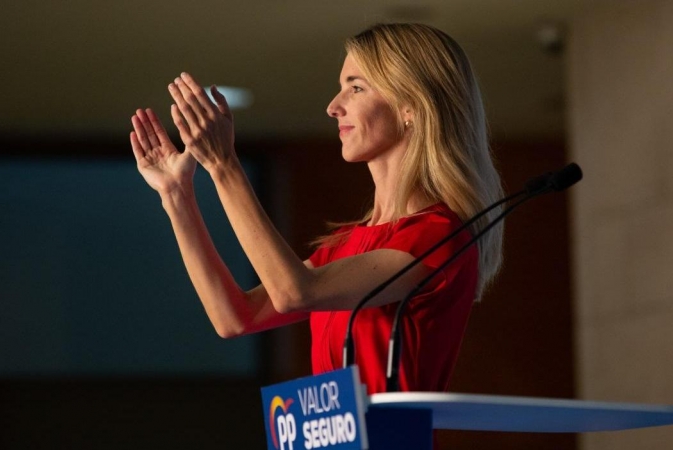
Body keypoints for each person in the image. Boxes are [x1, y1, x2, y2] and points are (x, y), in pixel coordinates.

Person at [129, 23, 503, 394]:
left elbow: (295, 292)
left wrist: (225, 166)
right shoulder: (348, 243)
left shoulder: (437, 235)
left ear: (411, 107)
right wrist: (177, 196)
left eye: (355, 88)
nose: (333, 107)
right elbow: (235, 318)